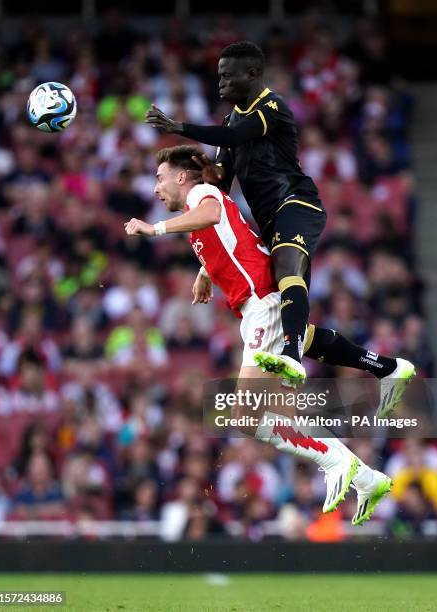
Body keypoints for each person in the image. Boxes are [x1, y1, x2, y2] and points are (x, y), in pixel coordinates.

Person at [124, 144, 405, 525]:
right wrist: (206, 273)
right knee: (281, 403)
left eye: (159, 179)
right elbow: (228, 236)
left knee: (246, 416)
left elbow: (211, 213)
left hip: (263, 305)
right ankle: (368, 475)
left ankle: (337, 462)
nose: (156, 189)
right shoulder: (199, 208)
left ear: (180, 176)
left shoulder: (201, 195)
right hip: (257, 307)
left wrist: (154, 228)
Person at [144, 41, 415, 395]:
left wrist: (179, 125)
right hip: (270, 221)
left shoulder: (271, 106)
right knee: (288, 314)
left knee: (287, 273)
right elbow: (220, 190)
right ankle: (387, 368)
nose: (221, 82)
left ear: (253, 74)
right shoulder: (229, 122)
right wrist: (205, 266)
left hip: (297, 203)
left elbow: (235, 135)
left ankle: (290, 355)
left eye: (228, 75)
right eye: (219, 76)